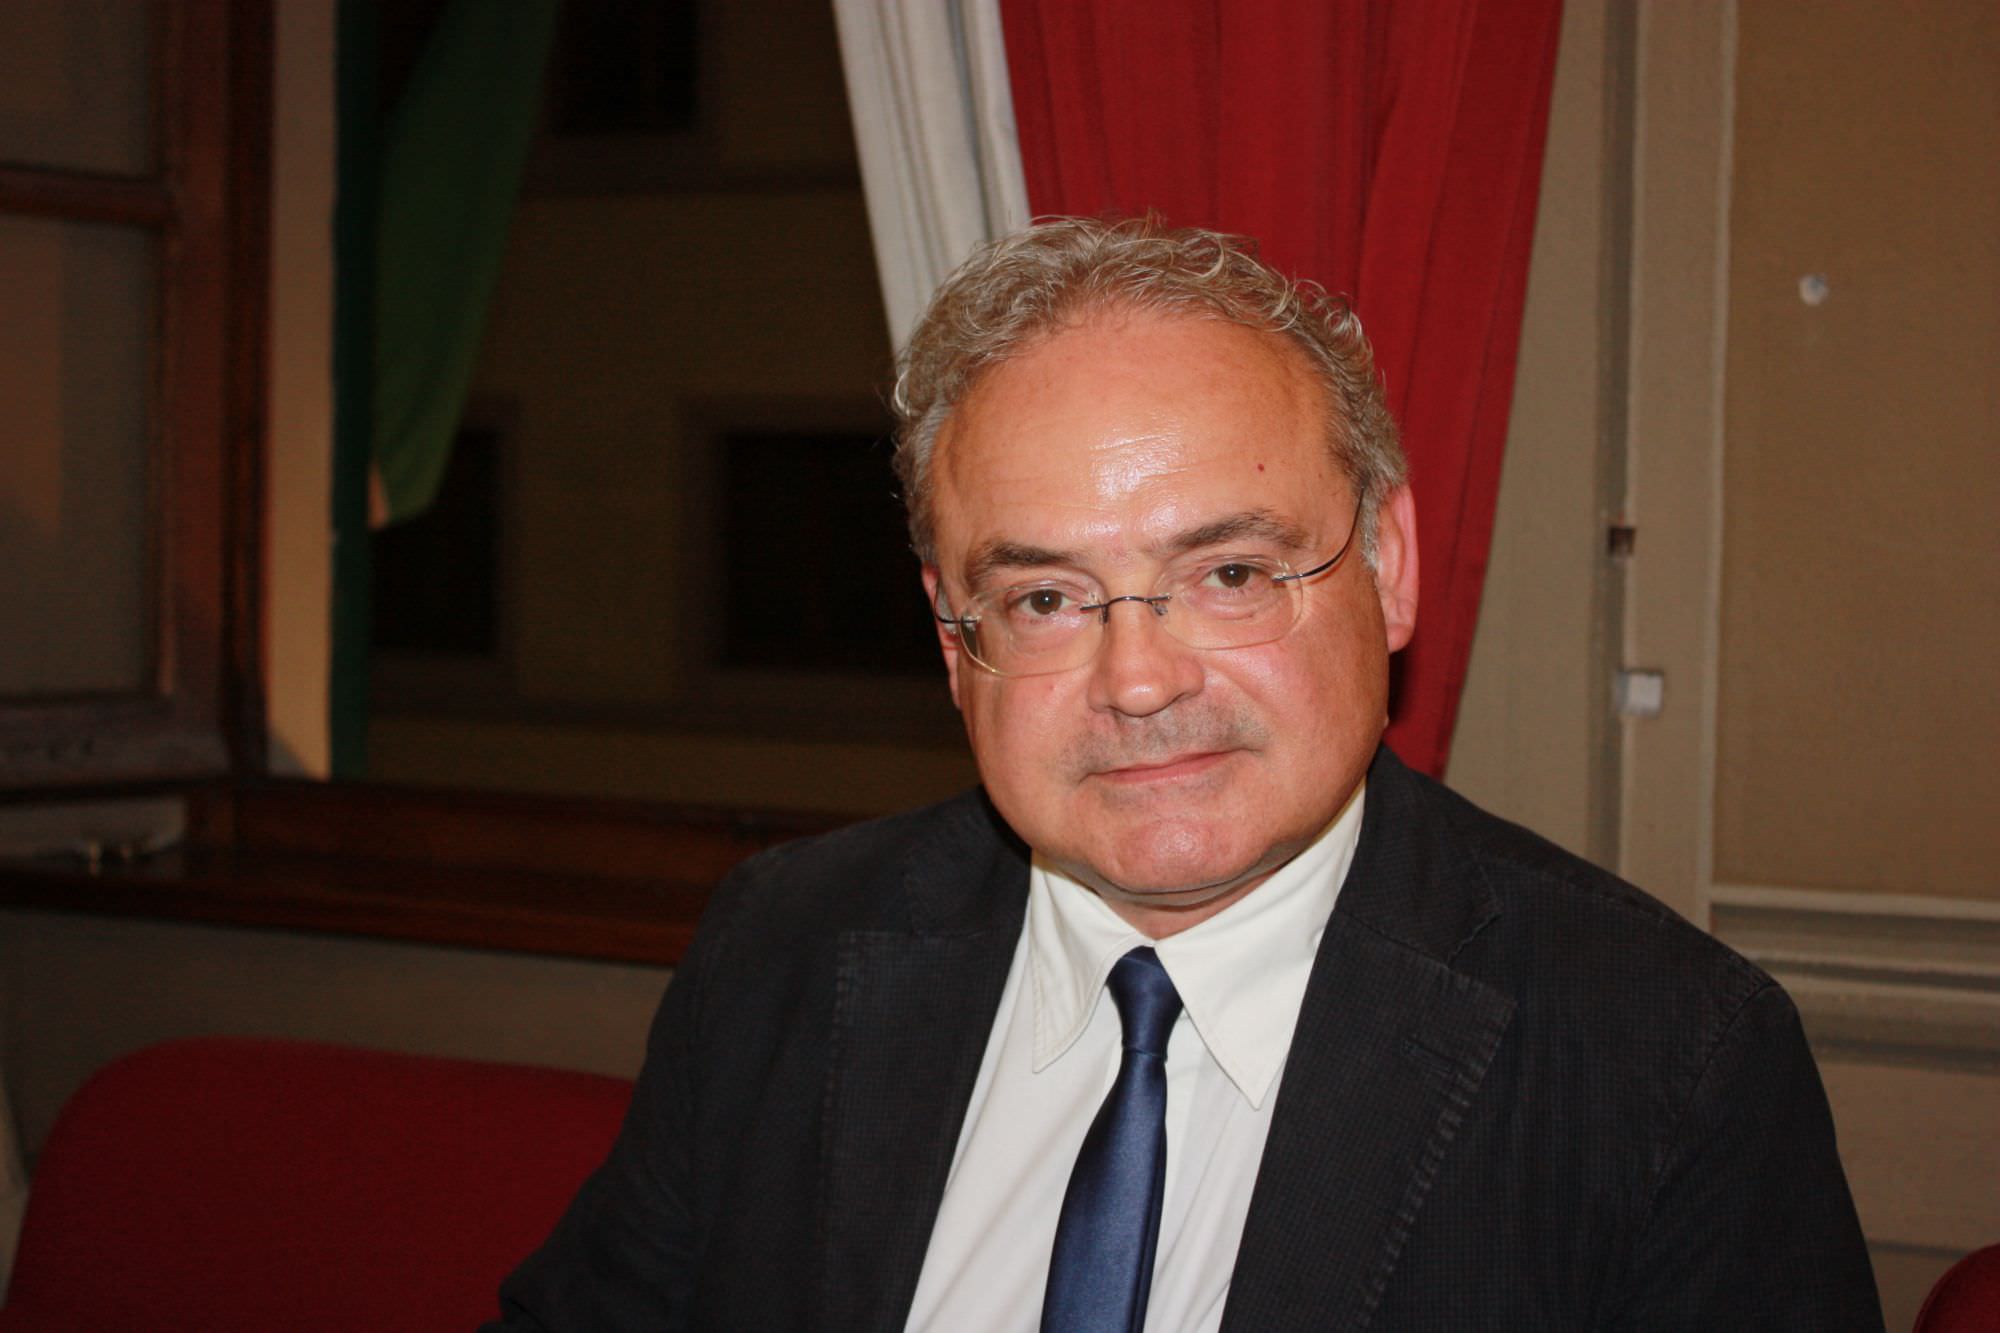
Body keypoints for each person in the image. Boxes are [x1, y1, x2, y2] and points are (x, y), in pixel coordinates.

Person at [487, 217, 1881, 1330]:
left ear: (1389, 567)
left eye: (1229, 573)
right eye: (1044, 599)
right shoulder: (782, 948)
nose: (1139, 679)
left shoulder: (1668, 1063)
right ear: (953, 642)